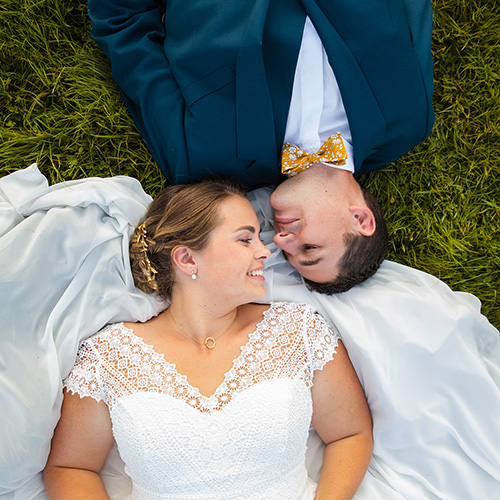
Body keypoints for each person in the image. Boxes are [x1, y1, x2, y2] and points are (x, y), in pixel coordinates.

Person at [42, 178, 373, 500]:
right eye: (246, 239)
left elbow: (350, 434)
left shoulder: (298, 330)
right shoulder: (108, 357)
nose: (265, 252)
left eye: (259, 238)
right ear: (187, 259)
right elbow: (71, 467)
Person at [86, 0, 434, 292]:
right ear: (360, 219)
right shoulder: (408, 120)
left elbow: (124, 28)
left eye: (289, 256)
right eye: (309, 248)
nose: (281, 242)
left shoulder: (201, 158)